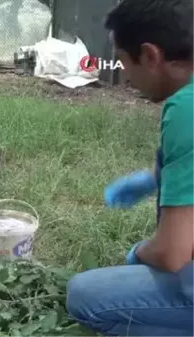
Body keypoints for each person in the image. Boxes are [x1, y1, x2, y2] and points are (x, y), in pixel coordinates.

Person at [65, 0, 194, 336]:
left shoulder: (187, 109)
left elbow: (172, 254)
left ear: (150, 56)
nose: (122, 73)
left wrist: (140, 252)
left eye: (122, 61)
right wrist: (153, 180)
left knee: (87, 296)